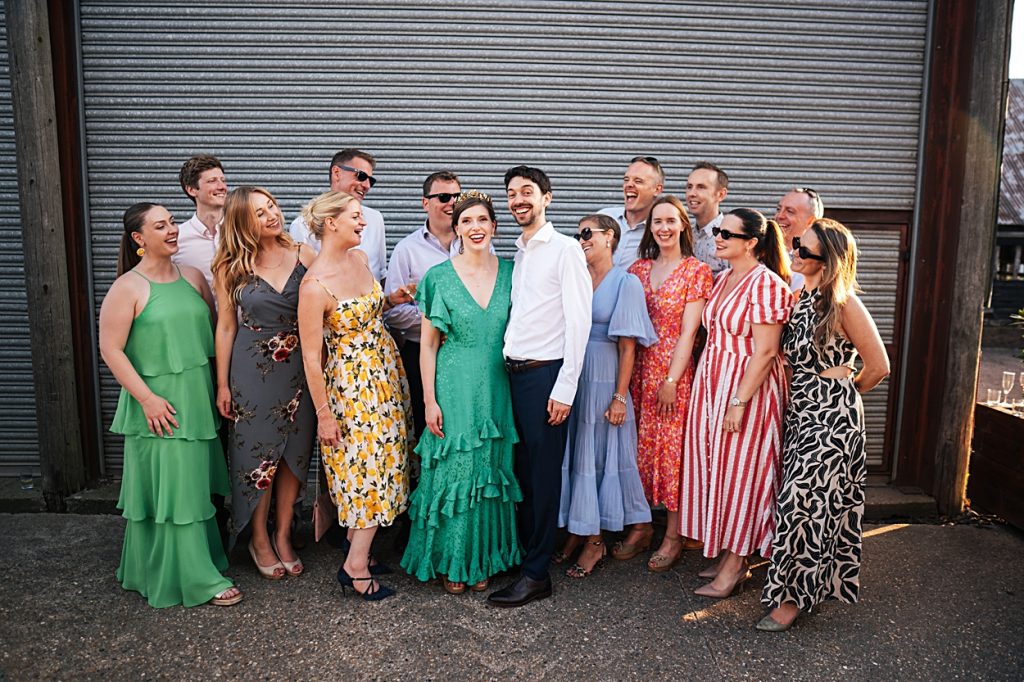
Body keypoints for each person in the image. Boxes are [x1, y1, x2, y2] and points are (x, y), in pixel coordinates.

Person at [99, 202, 241, 608]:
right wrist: (146, 398)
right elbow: (110, 349)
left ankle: (174, 564)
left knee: (193, 489)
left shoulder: (194, 277)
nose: (173, 230)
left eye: (173, 222)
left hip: (196, 402)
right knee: (172, 494)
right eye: (161, 226)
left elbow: (217, 338)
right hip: (157, 407)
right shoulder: (127, 287)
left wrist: (221, 387)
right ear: (139, 239)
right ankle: (196, 577)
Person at [757, 219, 889, 632]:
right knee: (804, 501)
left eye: (806, 251)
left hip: (830, 417)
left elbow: (879, 366)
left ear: (827, 261)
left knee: (803, 503)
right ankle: (804, 585)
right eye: (797, 244)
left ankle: (791, 600)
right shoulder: (800, 296)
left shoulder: (844, 302)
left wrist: (842, 393)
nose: (796, 253)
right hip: (801, 413)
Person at [400, 190, 523, 594]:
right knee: (456, 469)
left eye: (482, 221)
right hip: (453, 385)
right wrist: (429, 400)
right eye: (466, 221)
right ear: (456, 230)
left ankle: (484, 556)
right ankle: (452, 559)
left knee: (489, 470)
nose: (475, 227)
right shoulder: (438, 277)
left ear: (494, 227)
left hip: (498, 385)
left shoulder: (512, 272)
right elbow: (429, 345)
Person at [297, 190, 410, 601]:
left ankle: (357, 547)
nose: (363, 223)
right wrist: (324, 414)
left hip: (386, 374)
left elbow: (367, 310)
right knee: (365, 469)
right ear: (331, 223)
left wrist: (392, 299)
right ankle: (355, 567)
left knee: (388, 460)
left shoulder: (360, 260)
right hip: (351, 387)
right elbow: (312, 357)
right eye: (356, 217)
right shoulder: (314, 286)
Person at [487, 166, 592, 608]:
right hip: (514, 376)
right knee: (525, 474)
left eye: (526, 192)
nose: (517, 200)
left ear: (547, 197)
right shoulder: (520, 252)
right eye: (511, 194)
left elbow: (579, 321)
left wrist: (565, 389)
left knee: (544, 477)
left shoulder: (565, 249)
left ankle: (536, 574)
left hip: (547, 376)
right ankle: (528, 556)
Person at [679, 208, 793, 599]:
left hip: (748, 389)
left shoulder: (767, 286)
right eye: (717, 231)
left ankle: (735, 566)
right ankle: (727, 551)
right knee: (719, 471)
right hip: (714, 380)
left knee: (746, 474)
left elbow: (765, 352)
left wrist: (739, 401)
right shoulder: (725, 278)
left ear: (752, 243)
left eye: (727, 233)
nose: (718, 238)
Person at [211, 186, 316, 579]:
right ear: (242, 221)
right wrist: (222, 385)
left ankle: (284, 533)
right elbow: (225, 327)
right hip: (252, 371)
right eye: (259, 212)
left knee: (294, 455)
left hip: (301, 368)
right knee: (258, 457)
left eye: (271, 206)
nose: (272, 214)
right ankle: (257, 537)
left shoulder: (304, 253)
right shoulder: (229, 266)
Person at [555, 214, 658, 578]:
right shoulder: (577, 277)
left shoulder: (625, 283)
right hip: (574, 377)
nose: (581, 240)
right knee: (574, 452)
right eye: (576, 234)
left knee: (595, 458)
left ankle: (595, 541)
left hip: (604, 379)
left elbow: (629, 348)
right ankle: (577, 529)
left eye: (587, 233)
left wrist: (619, 397)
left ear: (610, 237)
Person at [626, 195, 712, 571]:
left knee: (672, 455)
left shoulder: (696, 271)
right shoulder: (637, 269)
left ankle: (674, 536)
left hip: (672, 371)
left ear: (683, 226)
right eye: (657, 221)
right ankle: (641, 525)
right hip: (638, 369)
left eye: (670, 221)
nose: (663, 228)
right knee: (638, 450)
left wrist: (672, 379)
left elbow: (688, 333)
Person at [385, 170, 462, 439]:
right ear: (425, 203)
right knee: (425, 426)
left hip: (465, 353)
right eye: (443, 196)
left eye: (457, 196)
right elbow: (393, 312)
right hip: (419, 354)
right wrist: (438, 325)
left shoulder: (477, 244)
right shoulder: (407, 249)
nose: (451, 202)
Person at [290, 149, 388, 281]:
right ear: (336, 173)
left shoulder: (375, 218)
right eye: (361, 176)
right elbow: (303, 282)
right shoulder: (302, 225)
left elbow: (381, 272)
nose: (367, 185)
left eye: (371, 180)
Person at [598, 156, 665, 270]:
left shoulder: (661, 232)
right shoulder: (603, 218)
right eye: (626, 180)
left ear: (657, 189)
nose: (629, 184)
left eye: (638, 181)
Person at [173, 155, 228, 291]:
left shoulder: (242, 230)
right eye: (212, 181)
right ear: (192, 190)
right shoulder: (176, 239)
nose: (222, 187)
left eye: (223, 180)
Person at [774, 187, 825, 292]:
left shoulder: (818, 262)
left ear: (811, 220)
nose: (779, 216)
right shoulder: (758, 251)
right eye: (779, 209)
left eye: (790, 211)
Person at [685, 161, 730, 275]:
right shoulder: (685, 236)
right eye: (689, 187)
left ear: (721, 194)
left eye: (701, 187)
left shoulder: (730, 238)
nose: (692, 193)